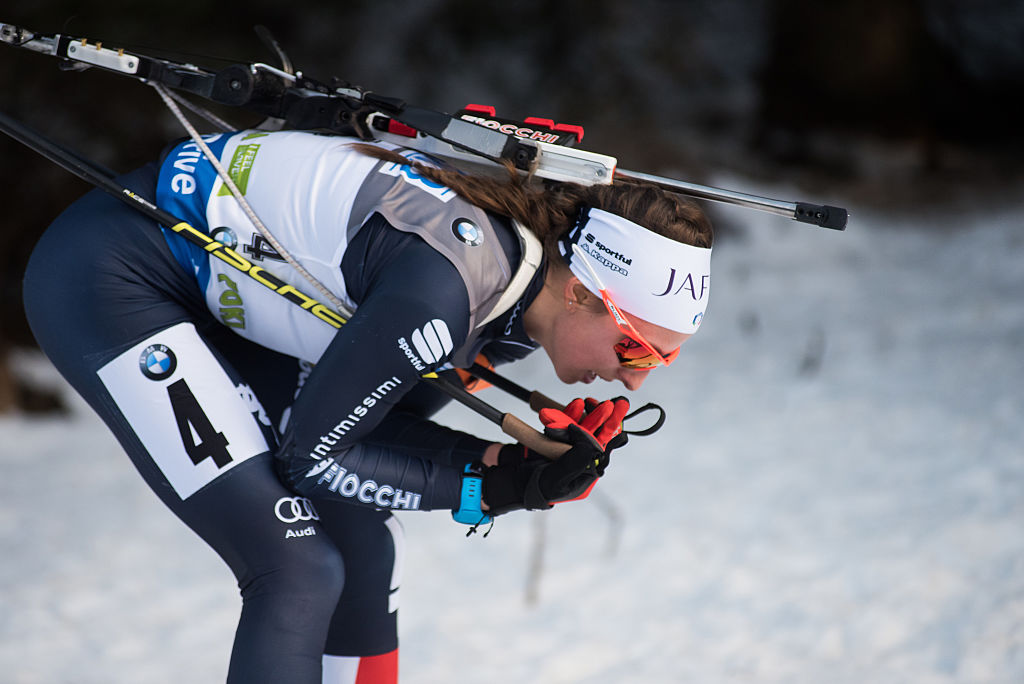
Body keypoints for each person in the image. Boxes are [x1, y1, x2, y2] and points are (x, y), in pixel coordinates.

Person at [21, 128, 713, 683]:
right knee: (295, 567)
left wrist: (510, 465)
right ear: (584, 292)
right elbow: (314, 460)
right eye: (637, 351)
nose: (634, 383)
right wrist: (497, 482)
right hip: (113, 278)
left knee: (362, 539)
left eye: (663, 359)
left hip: (218, 296)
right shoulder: (444, 296)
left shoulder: (514, 310)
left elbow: (375, 422)